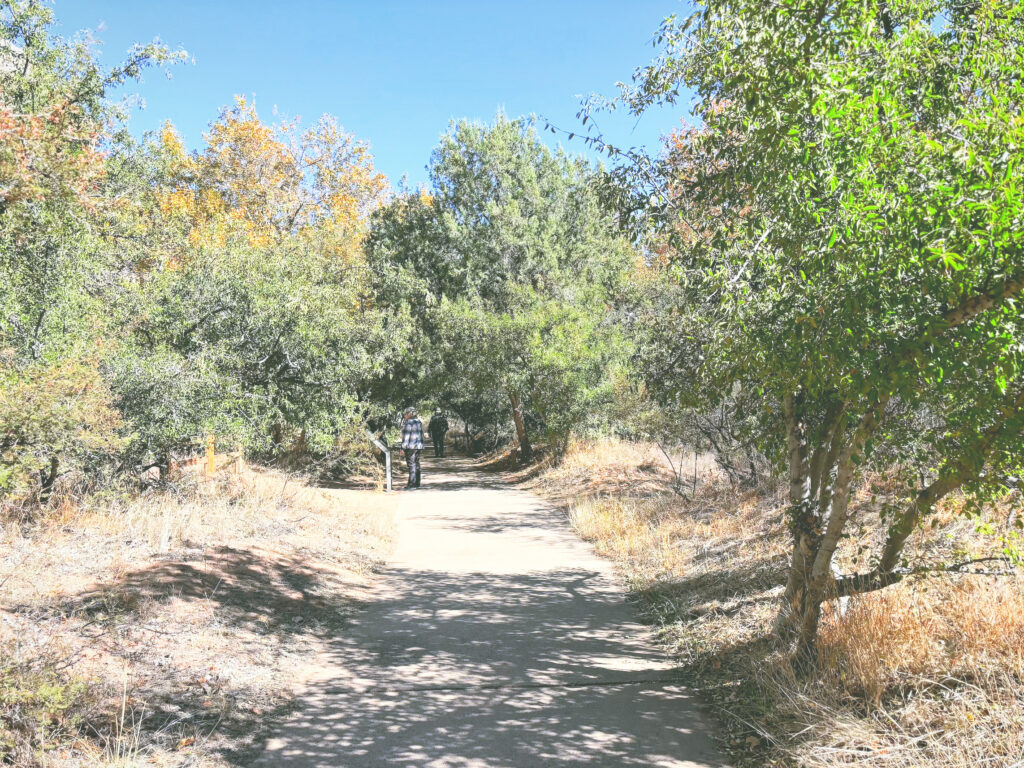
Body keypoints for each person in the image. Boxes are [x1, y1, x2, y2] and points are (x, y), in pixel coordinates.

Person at [400, 407, 424, 488]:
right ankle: (417, 483)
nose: (405, 415)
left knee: (411, 465)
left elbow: (406, 437)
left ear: (409, 414)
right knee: (417, 464)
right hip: (419, 446)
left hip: (411, 447)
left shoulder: (408, 423)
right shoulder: (419, 422)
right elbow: (421, 435)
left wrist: (403, 448)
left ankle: (411, 484)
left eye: (406, 414)